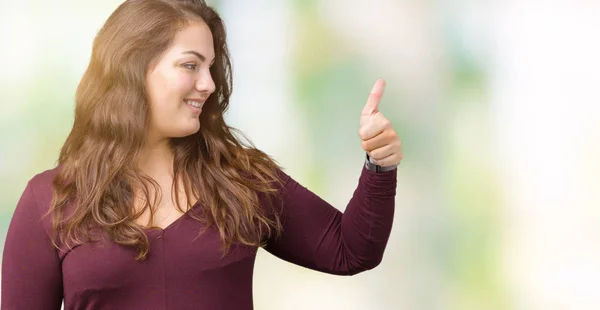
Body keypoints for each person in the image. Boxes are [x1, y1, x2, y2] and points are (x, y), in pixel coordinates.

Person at [1, 0, 403, 309]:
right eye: (190, 65)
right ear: (133, 68)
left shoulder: (242, 177)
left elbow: (350, 249)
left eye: (210, 67)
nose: (208, 84)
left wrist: (379, 165)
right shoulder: (50, 199)